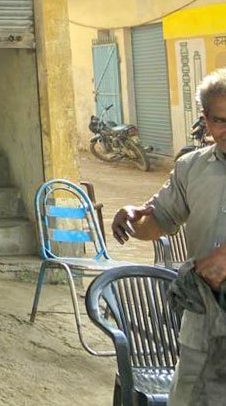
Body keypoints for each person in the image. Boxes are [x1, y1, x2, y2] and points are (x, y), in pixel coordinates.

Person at [111, 67, 226, 404]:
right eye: (221, 120)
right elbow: (159, 221)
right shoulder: (192, 168)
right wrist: (134, 219)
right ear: (205, 120)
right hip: (203, 326)